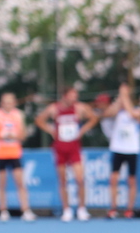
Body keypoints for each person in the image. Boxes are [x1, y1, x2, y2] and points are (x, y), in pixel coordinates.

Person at [35, 87, 97, 222]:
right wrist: (51, 130)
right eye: (72, 96)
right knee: (63, 180)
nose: (74, 98)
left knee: (80, 179)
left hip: (74, 147)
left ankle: (81, 209)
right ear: (65, 96)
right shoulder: (54, 108)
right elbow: (39, 120)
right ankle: (66, 209)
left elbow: (93, 118)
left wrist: (82, 131)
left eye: (75, 96)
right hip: (60, 148)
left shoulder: (79, 108)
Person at [0, 93, 35, 222]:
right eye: (5, 102)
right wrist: (1, 136)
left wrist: (14, 136)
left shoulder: (18, 115)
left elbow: (23, 135)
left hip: (14, 153)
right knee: (2, 183)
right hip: (0, 153)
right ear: (1, 103)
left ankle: (25, 210)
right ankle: (3, 210)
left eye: (10, 102)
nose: (8, 104)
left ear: (14, 103)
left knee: (20, 182)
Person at [102, 84, 140, 219]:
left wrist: (124, 95)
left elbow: (132, 113)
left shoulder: (137, 110)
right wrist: (121, 97)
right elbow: (107, 113)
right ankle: (113, 208)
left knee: (131, 180)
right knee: (113, 179)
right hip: (118, 149)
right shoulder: (117, 113)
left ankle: (129, 209)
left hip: (132, 150)